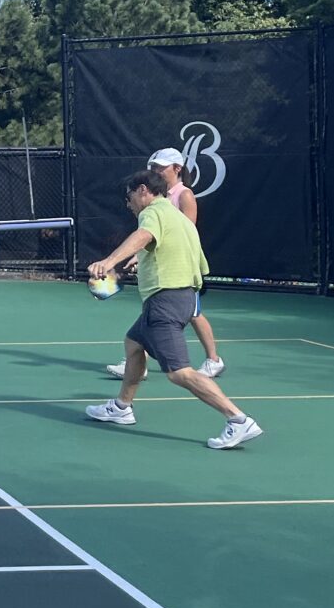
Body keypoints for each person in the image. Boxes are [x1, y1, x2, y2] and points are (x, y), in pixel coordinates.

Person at [85, 170, 262, 450]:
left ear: (143, 190)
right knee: (133, 344)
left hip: (165, 301)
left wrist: (109, 261)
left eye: (129, 196)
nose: (128, 203)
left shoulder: (152, 212)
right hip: (183, 296)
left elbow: (144, 235)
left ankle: (238, 420)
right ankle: (122, 407)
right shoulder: (179, 218)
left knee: (180, 373)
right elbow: (194, 260)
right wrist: (140, 259)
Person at [106, 147, 225, 379]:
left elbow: (185, 231)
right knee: (162, 311)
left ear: (177, 169)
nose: (156, 171)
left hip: (182, 268)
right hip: (164, 269)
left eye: (161, 167)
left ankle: (213, 360)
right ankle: (137, 362)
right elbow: (151, 235)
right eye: (154, 167)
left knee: (193, 313)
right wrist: (138, 256)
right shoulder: (156, 197)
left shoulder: (184, 195)